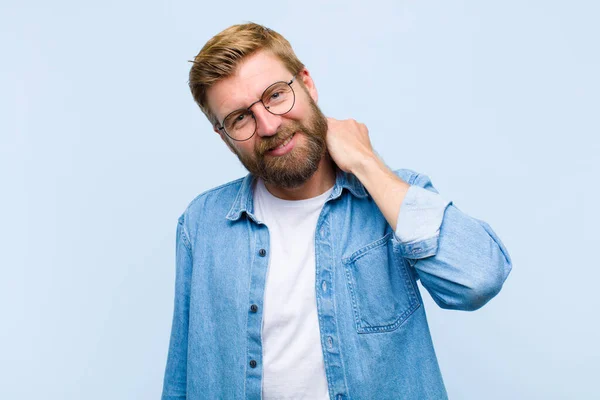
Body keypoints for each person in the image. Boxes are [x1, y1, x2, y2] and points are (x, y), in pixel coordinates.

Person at [161, 22, 512, 400]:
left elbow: (479, 280)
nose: (268, 124)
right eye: (240, 118)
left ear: (306, 83)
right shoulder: (202, 223)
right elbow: (182, 375)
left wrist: (366, 162)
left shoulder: (393, 198)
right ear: (224, 135)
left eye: (276, 95)